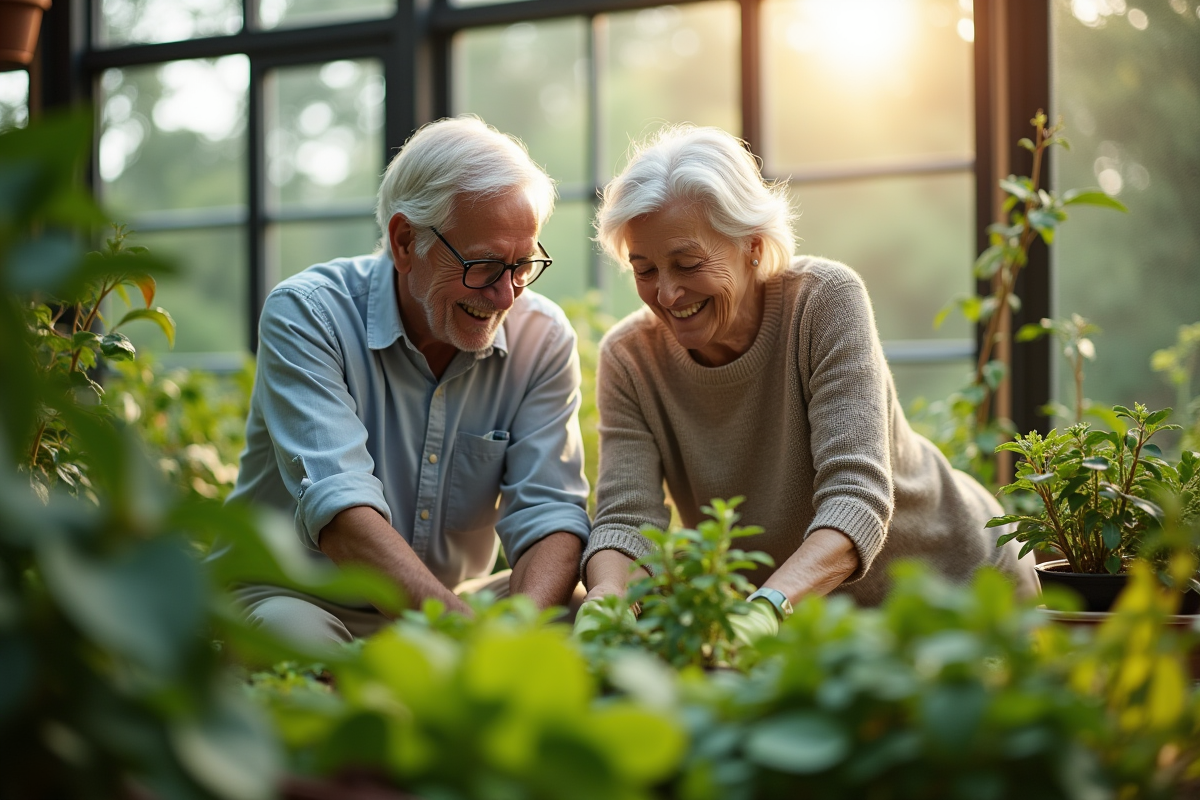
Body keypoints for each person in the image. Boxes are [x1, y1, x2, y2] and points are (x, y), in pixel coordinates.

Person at [579, 125, 1036, 639]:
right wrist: (608, 600)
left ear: (752, 245)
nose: (665, 293)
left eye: (687, 263)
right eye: (643, 270)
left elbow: (855, 496)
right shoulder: (630, 358)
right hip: (817, 624)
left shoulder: (822, 302)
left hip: (960, 586)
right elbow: (626, 523)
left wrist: (766, 607)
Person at [228, 116, 591, 649]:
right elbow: (344, 515)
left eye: (522, 265)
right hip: (299, 599)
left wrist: (512, 641)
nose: (506, 295)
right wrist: (463, 642)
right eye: (485, 266)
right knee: (299, 641)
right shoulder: (308, 315)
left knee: (580, 615)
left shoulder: (542, 337)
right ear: (405, 242)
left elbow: (550, 512)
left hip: (448, 604)